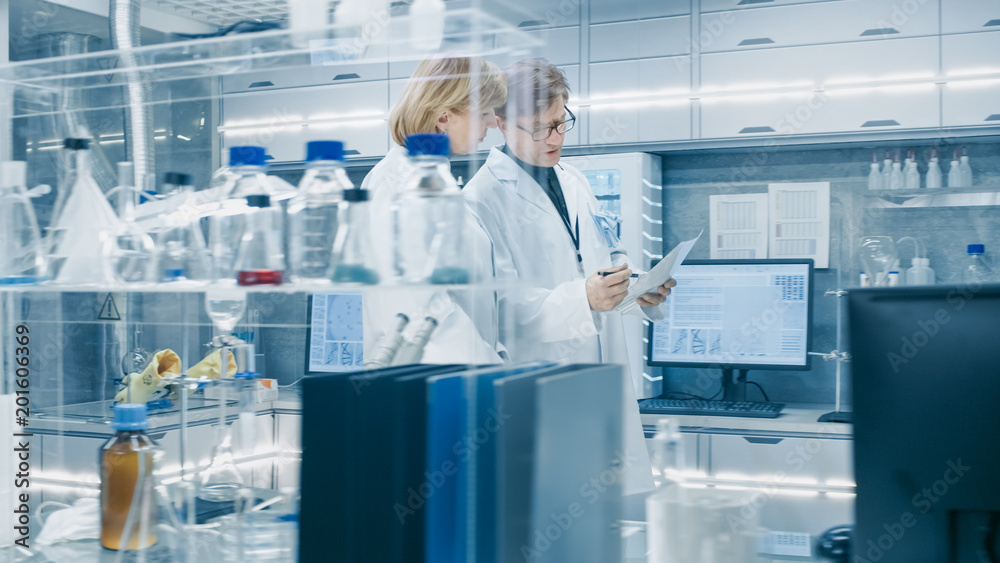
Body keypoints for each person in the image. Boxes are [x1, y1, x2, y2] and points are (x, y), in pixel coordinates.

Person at [463, 58, 676, 494]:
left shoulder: (574, 179)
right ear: (500, 122)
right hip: (542, 388)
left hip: (601, 379)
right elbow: (499, 312)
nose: (554, 138)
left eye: (561, 123)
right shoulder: (479, 201)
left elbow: (602, 259)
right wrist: (585, 299)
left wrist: (637, 288)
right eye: (538, 128)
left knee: (607, 522)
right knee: (553, 514)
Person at [360, 53, 507, 365]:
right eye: (483, 113)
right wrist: (490, 368)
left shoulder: (431, 179)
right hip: (433, 378)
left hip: (458, 375)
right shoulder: (400, 183)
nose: (494, 122)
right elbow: (416, 307)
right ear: (444, 118)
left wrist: (495, 351)